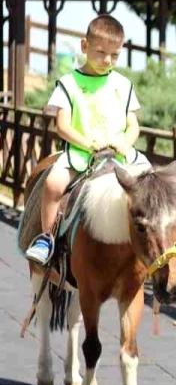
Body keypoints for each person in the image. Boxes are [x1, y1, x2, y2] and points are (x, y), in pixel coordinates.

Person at [25, 14, 148, 265]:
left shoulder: (123, 85)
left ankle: (165, 248)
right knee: (54, 183)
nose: (107, 60)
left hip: (119, 153)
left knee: (154, 185)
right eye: (101, 52)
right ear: (84, 46)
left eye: (114, 55)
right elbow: (62, 125)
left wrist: (126, 141)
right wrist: (87, 142)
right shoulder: (69, 84)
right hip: (81, 154)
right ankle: (46, 238)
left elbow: (133, 124)